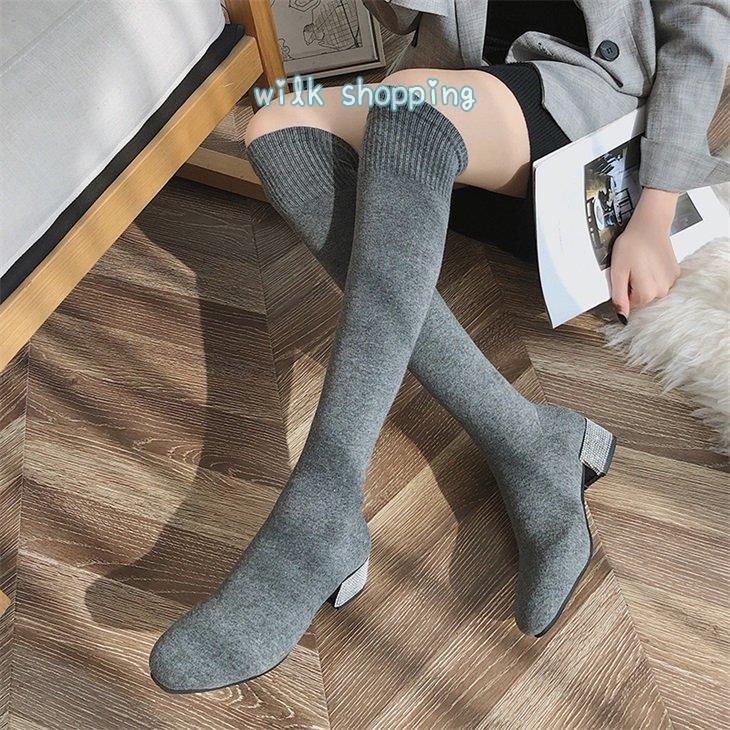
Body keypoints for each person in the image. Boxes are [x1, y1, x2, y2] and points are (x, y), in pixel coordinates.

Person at [149, 0, 730, 693]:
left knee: (410, 105)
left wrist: (657, 211)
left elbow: (701, 26)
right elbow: (402, 21)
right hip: (461, 87)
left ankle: (320, 509)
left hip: (592, 109)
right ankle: (529, 442)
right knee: (279, 124)